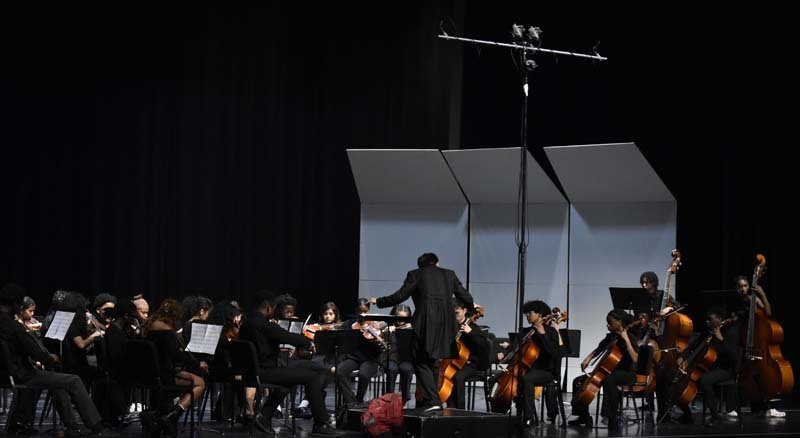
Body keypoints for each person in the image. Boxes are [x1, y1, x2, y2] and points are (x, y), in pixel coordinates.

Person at [0, 283, 119, 437]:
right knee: (74, 380)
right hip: (21, 374)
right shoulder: (14, 326)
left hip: (5, 373)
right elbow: (37, 353)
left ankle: (70, 426)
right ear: (15, 303)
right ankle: (98, 428)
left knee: (60, 382)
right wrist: (52, 359)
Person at [368, 252, 475, 410]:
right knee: (433, 361)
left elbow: (400, 296)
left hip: (425, 323)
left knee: (419, 360)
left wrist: (379, 301)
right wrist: (471, 309)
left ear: (421, 265)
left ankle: (433, 401)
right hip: (446, 325)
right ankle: (429, 401)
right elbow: (467, 297)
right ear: (437, 263)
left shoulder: (416, 274)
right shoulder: (450, 274)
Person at [238, 290, 339, 436]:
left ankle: (263, 417)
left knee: (286, 384)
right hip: (264, 372)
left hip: (251, 372)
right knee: (311, 377)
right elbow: (286, 336)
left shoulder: (246, 324)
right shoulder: (263, 324)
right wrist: (307, 342)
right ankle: (321, 424)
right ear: (268, 308)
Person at [568, 309, 639, 431]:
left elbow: (635, 358)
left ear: (619, 322)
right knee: (578, 381)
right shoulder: (611, 337)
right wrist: (588, 358)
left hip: (627, 373)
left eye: (610, 323)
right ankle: (583, 416)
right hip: (610, 371)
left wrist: (626, 339)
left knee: (609, 380)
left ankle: (612, 417)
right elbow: (599, 349)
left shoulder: (630, 337)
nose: (608, 325)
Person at [517, 300, 561, 426]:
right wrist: (508, 350)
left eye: (530, 313)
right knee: (496, 378)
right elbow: (518, 352)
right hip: (528, 368)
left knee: (526, 379)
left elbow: (554, 353)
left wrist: (543, 334)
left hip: (545, 371)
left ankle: (529, 417)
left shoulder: (551, 332)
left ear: (540, 314)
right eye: (526, 313)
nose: (527, 316)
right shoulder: (525, 331)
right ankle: (500, 413)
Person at [442, 299, 489, 410]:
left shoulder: (474, 328)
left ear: (464, 310)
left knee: (458, 377)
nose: (454, 316)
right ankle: (449, 406)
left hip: (470, 364)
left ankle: (460, 410)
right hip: (453, 362)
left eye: (457, 313)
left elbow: (483, 347)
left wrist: (471, 333)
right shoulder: (450, 327)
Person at [384, 304, 414, 406]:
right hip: (392, 358)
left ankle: (405, 399)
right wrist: (387, 332)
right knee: (391, 369)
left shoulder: (412, 328)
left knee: (407, 369)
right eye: (399, 318)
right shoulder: (388, 326)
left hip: (405, 358)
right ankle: (389, 398)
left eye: (404, 318)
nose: (401, 321)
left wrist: (411, 331)